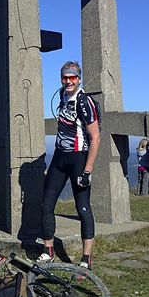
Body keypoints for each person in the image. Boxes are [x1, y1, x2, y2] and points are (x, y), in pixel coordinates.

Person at [38, 61, 100, 269]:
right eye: (65, 77)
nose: (68, 81)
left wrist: (88, 170)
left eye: (72, 77)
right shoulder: (63, 96)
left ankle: (86, 258)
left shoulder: (85, 102)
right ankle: (48, 251)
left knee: (82, 208)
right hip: (59, 157)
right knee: (46, 204)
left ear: (79, 79)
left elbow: (95, 137)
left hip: (79, 158)